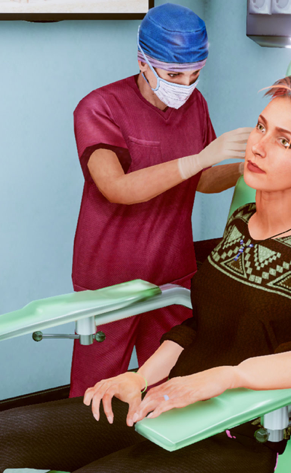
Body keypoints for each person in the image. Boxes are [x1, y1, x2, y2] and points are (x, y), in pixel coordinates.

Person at [0, 74, 291, 473]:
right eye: (262, 128)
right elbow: (197, 326)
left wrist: (231, 375)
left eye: (284, 141)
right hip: (160, 405)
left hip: (229, 440)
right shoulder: (239, 223)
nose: (259, 146)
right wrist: (140, 377)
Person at [69, 3, 252, 398]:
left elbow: (202, 181)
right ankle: (83, 458)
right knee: (96, 387)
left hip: (172, 268)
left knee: (167, 381)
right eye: (173, 75)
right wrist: (202, 157)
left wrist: (246, 169)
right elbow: (116, 187)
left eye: (194, 75)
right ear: (143, 63)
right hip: (109, 273)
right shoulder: (99, 107)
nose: (185, 86)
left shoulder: (195, 104)